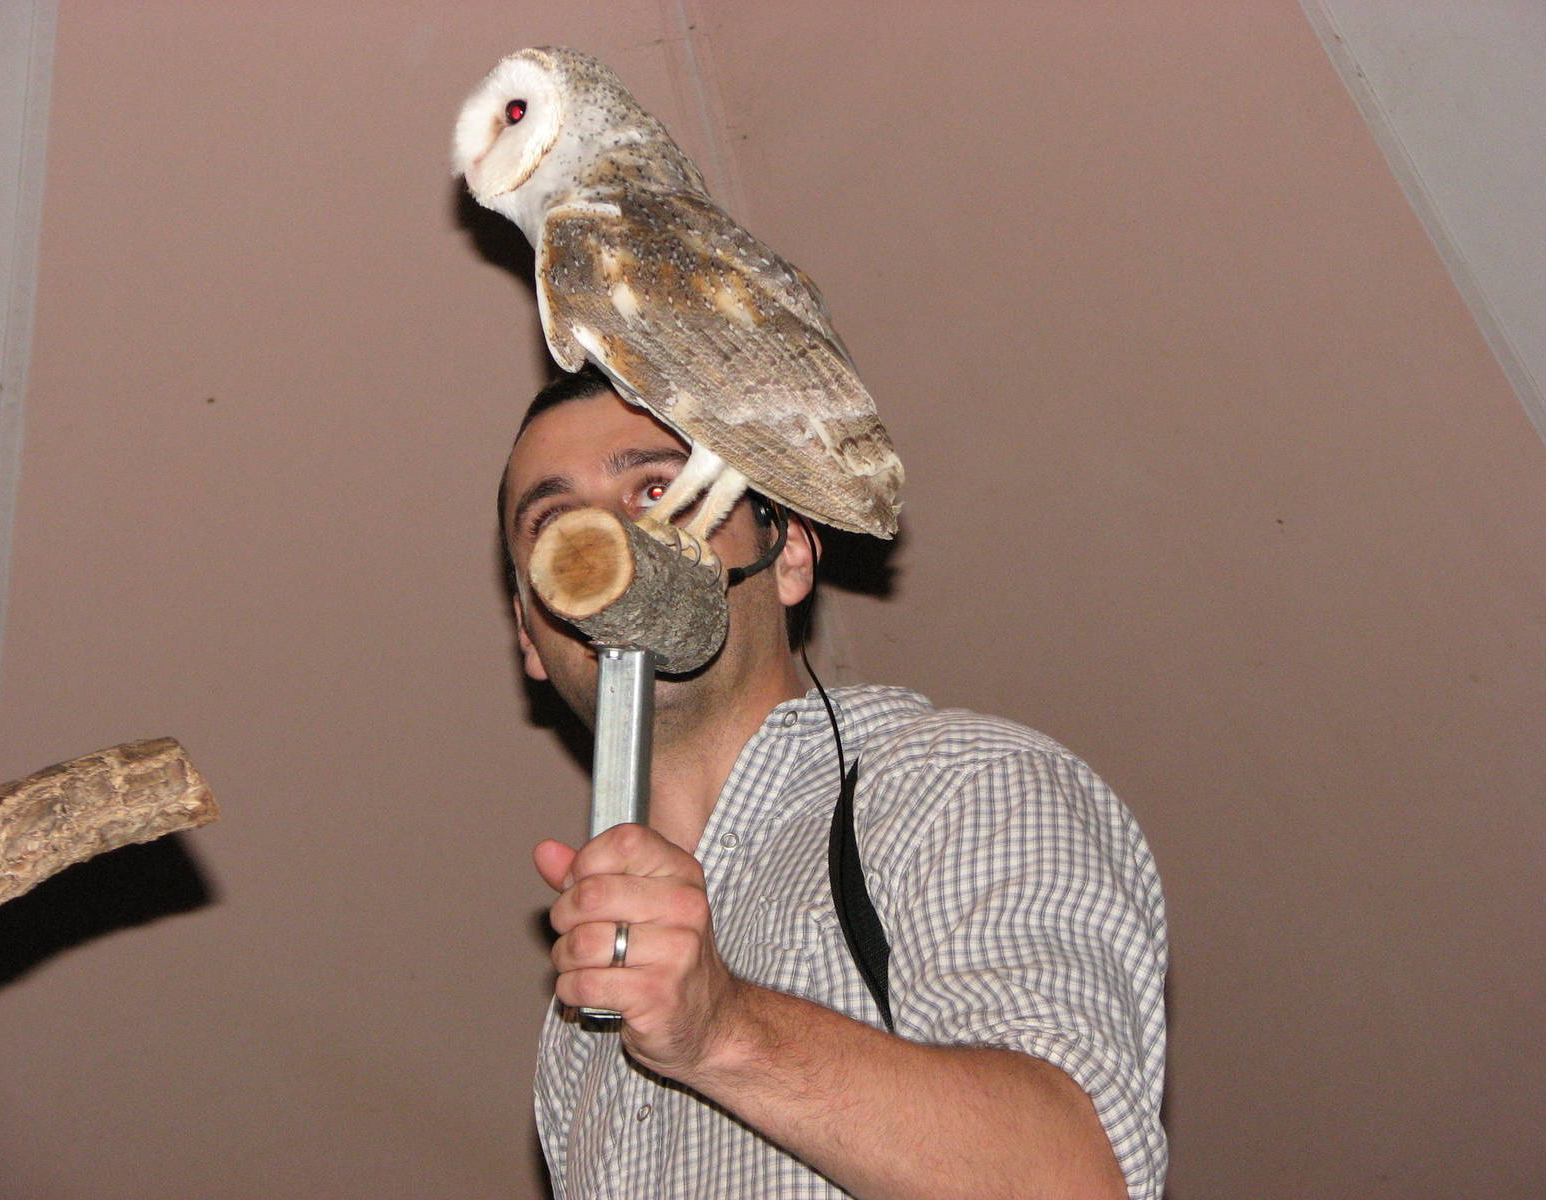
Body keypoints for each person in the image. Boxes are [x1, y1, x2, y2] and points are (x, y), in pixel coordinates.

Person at [500, 369, 1168, 1199]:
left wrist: (723, 1028)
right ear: (531, 635)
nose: (608, 541)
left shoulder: (953, 785)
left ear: (788, 556)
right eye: (555, 524)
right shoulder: (578, 1028)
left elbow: (1068, 1184)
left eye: (659, 488)